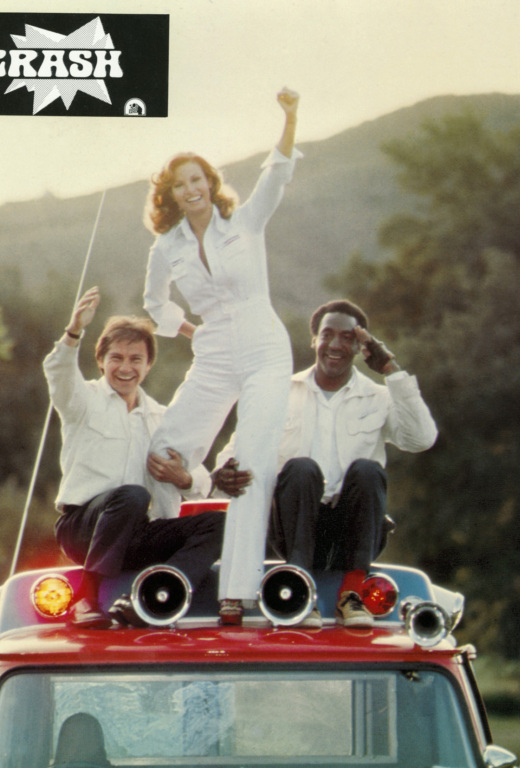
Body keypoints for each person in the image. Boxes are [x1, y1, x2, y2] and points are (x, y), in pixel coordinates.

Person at [142, 87, 302, 625]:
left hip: (264, 347)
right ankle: (161, 560)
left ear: (210, 183)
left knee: (252, 461)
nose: (191, 189)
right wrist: (188, 329)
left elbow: (276, 174)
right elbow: (153, 303)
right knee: (163, 449)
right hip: (212, 351)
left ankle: (237, 591)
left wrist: (290, 117)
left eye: (198, 179)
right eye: (180, 184)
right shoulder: (166, 247)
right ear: (170, 195)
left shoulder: (245, 223)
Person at [213, 299, 438, 628]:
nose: (335, 345)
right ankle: (302, 589)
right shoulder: (280, 392)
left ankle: (351, 594)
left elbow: (422, 438)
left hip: (353, 533)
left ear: (360, 347)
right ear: (314, 340)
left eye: (347, 337)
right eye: (327, 334)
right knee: (301, 468)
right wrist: (222, 471)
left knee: (368, 470)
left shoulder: (378, 397)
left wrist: (390, 369)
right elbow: (237, 448)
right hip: (294, 527)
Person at [43, 286, 225, 628]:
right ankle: (86, 598)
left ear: (149, 364)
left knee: (218, 523)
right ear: (101, 361)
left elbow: (201, 480)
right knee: (133, 495)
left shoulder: (162, 418)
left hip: (138, 534)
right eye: (116, 358)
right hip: (84, 528)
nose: (125, 368)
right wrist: (74, 331)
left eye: (135, 359)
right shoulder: (83, 400)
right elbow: (59, 372)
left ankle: (157, 593)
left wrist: (184, 479)